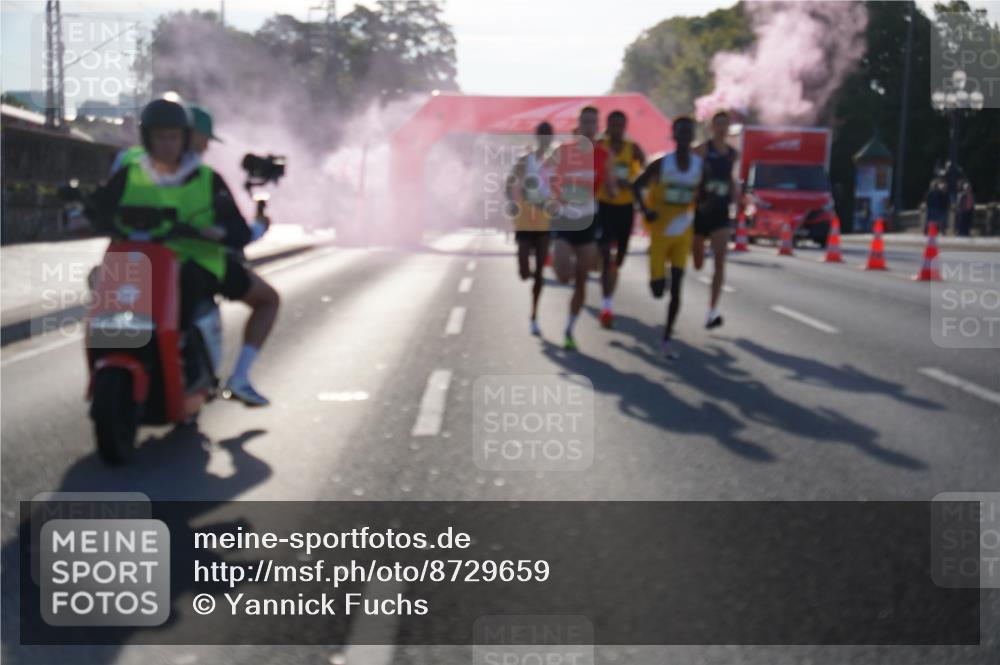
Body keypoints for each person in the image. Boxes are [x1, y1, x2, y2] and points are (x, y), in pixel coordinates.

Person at [87, 95, 280, 406]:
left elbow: (239, 231)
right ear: (147, 138)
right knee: (99, 283)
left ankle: (237, 376)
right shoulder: (129, 173)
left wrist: (218, 231)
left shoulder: (208, 180)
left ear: (185, 138)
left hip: (199, 263)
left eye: (173, 137)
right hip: (136, 266)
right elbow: (98, 211)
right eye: (159, 137)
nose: (167, 144)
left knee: (268, 299)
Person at [633, 115, 702, 359]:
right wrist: (646, 210)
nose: (684, 137)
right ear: (674, 136)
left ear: (692, 137)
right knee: (658, 291)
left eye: (688, 132)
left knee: (678, 289)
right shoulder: (662, 164)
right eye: (680, 132)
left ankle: (667, 336)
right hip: (660, 235)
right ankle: (658, 278)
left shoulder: (700, 166)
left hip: (684, 233)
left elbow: (705, 195)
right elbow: (636, 186)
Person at [550, 106, 610, 351]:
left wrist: (618, 186)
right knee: (564, 276)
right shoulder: (563, 151)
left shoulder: (604, 155)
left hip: (589, 219)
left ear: (598, 127)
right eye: (585, 121)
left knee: (582, 281)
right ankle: (564, 263)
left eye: (592, 122)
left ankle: (569, 329)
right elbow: (548, 180)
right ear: (578, 125)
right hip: (565, 220)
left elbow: (611, 184)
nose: (588, 126)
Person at [595, 110, 646, 328]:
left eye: (620, 126)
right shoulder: (599, 144)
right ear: (607, 125)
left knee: (619, 259)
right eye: (613, 125)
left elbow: (646, 170)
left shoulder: (632, 148)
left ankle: (608, 294)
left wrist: (631, 182)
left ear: (625, 127)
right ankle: (607, 305)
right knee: (606, 256)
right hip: (603, 206)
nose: (616, 130)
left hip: (625, 207)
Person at [506, 121, 555, 335]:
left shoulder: (555, 162)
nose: (545, 139)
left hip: (544, 221)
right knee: (524, 272)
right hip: (525, 219)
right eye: (541, 135)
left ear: (551, 138)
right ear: (537, 137)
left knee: (539, 275)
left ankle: (534, 316)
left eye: (548, 135)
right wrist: (513, 201)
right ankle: (531, 271)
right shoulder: (524, 161)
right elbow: (509, 184)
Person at [692, 110, 739, 329]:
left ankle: (712, 311)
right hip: (700, 211)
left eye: (725, 124)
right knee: (698, 261)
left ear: (729, 128)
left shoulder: (732, 153)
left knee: (720, 261)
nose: (722, 128)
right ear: (711, 127)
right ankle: (697, 254)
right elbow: (689, 174)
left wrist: (738, 199)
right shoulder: (702, 150)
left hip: (720, 212)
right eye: (718, 124)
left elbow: (731, 178)